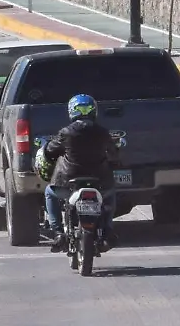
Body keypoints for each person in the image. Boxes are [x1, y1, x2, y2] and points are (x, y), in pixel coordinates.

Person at [36, 94, 118, 252]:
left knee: (49, 193)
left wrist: (46, 148)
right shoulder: (103, 132)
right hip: (99, 181)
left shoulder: (66, 132)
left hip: (67, 181)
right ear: (94, 110)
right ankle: (107, 230)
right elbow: (114, 154)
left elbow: (50, 151)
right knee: (111, 195)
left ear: (72, 111)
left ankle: (58, 232)